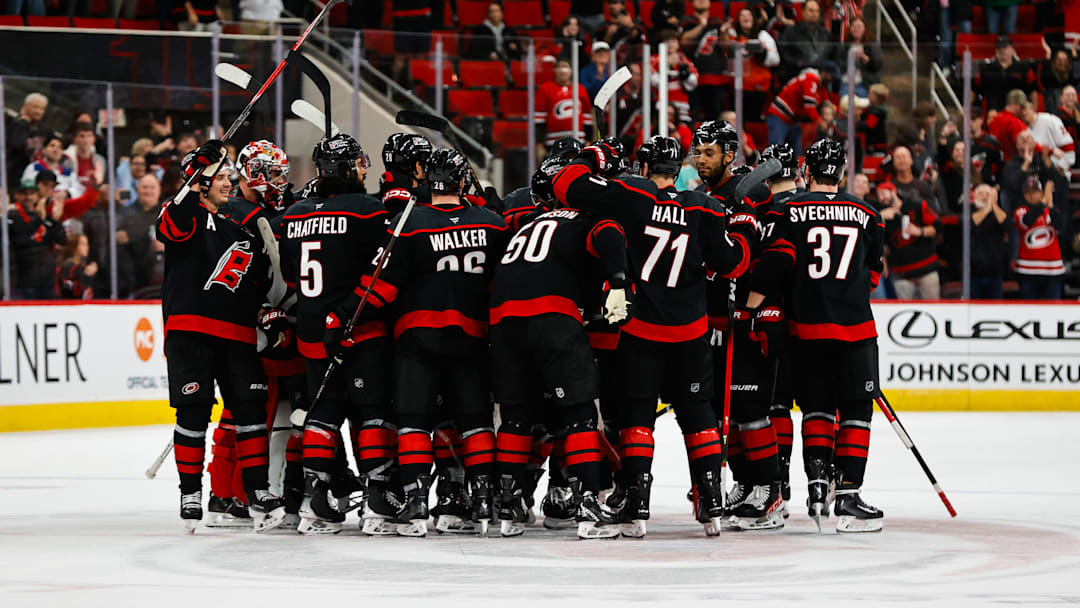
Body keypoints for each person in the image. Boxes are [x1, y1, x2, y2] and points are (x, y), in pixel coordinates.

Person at [551, 135, 758, 537]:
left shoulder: (631, 194)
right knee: (698, 415)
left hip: (642, 330)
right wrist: (746, 225)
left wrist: (594, 155)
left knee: (637, 418)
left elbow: (565, 183)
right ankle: (711, 499)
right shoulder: (705, 207)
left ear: (644, 169)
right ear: (678, 169)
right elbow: (734, 264)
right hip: (690, 333)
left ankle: (637, 502)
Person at [342, 148, 509, 537]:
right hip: (471, 336)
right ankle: (482, 499)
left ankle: (415, 502)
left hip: (417, 337)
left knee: (414, 421)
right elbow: (504, 283)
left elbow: (379, 286)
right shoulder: (493, 223)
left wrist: (345, 318)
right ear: (462, 180)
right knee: (474, 420)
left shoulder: (408, 223)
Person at [747, 138, 885, 533]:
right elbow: (874, 272)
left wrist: (753, 306)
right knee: (856, 410)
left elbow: (777, 263)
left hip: (804, 329)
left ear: (807, 170)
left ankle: (818, 482)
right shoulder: (867, 212)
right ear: (841, 171)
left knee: (817, 408)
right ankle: (848, 496)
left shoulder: (789, 209)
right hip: (856, 328)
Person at [490, 154, 630, 539]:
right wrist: (617, 281)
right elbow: (610, 237)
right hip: (552, 318)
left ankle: (509, 502)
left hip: (502, 321)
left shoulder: (527, 222)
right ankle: (586, 500)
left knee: (517, 416)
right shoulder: (587, 217)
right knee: (579, 414)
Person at [156, 140, 285, 533]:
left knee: (249, 413)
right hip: (190, 331)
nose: (229, 182)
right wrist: (197, 170)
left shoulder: (237, 228)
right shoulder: (185, 216)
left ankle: (257, 490)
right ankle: (190, 492)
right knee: (193, 413)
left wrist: (270, 314)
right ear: (200, 184)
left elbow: (258, 284)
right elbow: (171, 224)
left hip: (237, 335)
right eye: (222, 177)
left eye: (230, 176)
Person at [279, 134, 396, 535]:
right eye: (360, 165)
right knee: (370, 412)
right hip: (359, 329)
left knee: (321, 414)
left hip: (311, 331)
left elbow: (291, 275)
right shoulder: (368, 209)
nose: (365, 171)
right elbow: (384, 268)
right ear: (348, 168)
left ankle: (315, 500)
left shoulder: (294, 214)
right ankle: (377, 501)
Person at [7, 175, 66, 300]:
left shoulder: (41, 215)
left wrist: (55, 220)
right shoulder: (11, 216)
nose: (28, 197)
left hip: (47, 281)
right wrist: (42, 221)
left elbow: (62, 240)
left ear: (37, 196)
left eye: (32, 193)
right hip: (24, 282)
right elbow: (23, 241)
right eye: (24, 193)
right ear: (16, 196)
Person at [881, 181, 941, 300]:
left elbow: (938, 226)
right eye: (879, 195)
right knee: (905, 314)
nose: (882, 198)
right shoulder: (883, 216)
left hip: (926, 270)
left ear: (893, 192)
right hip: (901, 274)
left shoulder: (916, 205)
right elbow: (883, 244)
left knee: (934, 312)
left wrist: (920, 231)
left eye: (884, 193)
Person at [1013, 175, 1064, 299]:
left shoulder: (1051, 211)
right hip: (1028, 270)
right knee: (1029, 311)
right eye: (1028, 192)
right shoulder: (1021, 211)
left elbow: (1061, 226)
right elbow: (1027, 221)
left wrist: (1049, 204)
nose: (1031, 195)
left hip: (1052, 270)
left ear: (1041, 193)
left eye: (1035, 192)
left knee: (1052, 311)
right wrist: (1044, 201)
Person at [117, 174, 165, 297]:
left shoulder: (168, 213)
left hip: (165, 279)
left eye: (152, 187)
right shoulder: (125, 214)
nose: (148, 191)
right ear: (137, 189)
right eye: (145, 187)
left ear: (159, 190)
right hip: (134, 278)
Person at [534, 60, 594, 157]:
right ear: (555, 70)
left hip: (578, 140)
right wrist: (540, 142)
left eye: (565, 67)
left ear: (571, 70)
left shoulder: (580, 89)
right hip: (553, 142)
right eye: (560, 67)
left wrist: (588, 140)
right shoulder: (545, 89)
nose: (562, 71)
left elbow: (587, 116)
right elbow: (539, 118)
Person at [767, 67, 827, 157]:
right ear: (823, 73)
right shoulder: (811, 79)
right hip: (780, 115)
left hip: (793, 119)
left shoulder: (819, 85)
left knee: (797, 153)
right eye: (831, 75)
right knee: (776, 152)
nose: (832, 79)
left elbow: (826, 102)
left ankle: (796, 170)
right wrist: (820, 122)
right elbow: (809, 106)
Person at [777, 0, 833, 83]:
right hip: (796, 76)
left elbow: (832, 54)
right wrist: (798, 63)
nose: (814, 14)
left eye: (817, 11)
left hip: (821, 77)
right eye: (811, 10)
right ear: (803, 12)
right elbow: (783, 52)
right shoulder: (791, 31)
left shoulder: (826, 34)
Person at [969, 184, 1009, 299]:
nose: (985, 197)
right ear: (975, 196)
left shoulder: (997, 213)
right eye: (982, 194)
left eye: (988, 194)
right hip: (973, 273)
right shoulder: (970, 210)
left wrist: (994, 205)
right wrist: (988, 208)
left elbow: (1007, 225)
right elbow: (972, 223)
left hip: (995, 273)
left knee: (995, 309)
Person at [650, 33, 699, 125]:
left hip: (682, 109)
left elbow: (693, 84)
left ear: (678, 43)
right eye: (666, 41)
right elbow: (653, 81)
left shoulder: (684, 61)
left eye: (673, 41)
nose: (670, 44)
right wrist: (665, 65)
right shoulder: (653, 60)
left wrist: (685, 75)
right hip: (660, 106)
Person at [975, 37, 1034, 113]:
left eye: (1005, 47)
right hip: (992, 113)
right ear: (995, 50)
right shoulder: (985, 69)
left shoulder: (1023, 68)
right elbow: (974, 90)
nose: (1002, 50)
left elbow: (1032, 92)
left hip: (1017, 114)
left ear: (1012, 50)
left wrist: (1032, 111)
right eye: (999, 48)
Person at [1021, 101, 1076, 176]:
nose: (1023, 113)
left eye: (1025, 109)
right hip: (1037, 174)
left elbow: (1068, 145)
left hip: (1058, 171)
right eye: (1021, 111)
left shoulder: (1049, 120)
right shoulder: (1022, 128)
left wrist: (1061, 167)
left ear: (1032, 109)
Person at [6, 92, 50, 184]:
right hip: (13, 178)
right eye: (35, 107)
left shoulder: (43, 129)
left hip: (35, 177)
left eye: (42, 108)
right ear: (25, 106)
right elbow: (16, 143)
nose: (39, 111)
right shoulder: (14, 124)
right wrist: (23, 122)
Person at [887, 145, 941, 214]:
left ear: (911, 160)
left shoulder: (923, 186)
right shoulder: (890, 187)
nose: (902, 160)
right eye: (898, 157)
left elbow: (933, 212)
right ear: (894, 162)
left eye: (904, 156)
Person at [837, 16, 881, 99]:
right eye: (853, 26)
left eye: (859, 27)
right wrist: (852, 59)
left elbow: (877, 65)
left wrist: (866, 60)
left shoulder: (872, 44)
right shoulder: (845, 45)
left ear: (865, 28)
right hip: (846, 84)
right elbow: (839, 65)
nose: (856, 29)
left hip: (864, 85)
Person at [56, 233, 98, 299]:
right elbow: (69, 293)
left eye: (87, 244)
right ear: (74, 247)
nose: (87, 247)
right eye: (83, 244)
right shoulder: (69, 266)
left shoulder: (82, 265)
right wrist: (87, 275)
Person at [858, 83, 890, 156]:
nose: (868, 96)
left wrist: (857, 120)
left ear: (877, 97)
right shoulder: (872, 110)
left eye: (870, 94)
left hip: (875, 149)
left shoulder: (876, 113)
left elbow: (868, 126)